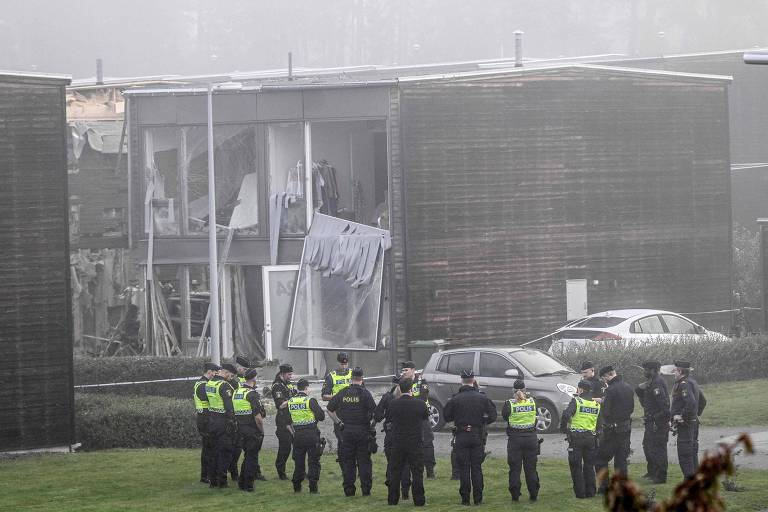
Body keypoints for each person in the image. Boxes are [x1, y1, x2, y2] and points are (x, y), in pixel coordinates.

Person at [443, 369, 498, 506]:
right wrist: (482, 422)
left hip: (461, 434)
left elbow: (446, 416)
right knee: (476, 467)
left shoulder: (455, 398)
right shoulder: (482, 398)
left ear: (461, 381)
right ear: (473, 380)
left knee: (464, 468)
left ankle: (465, 499)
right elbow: (493, 416)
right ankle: (478, 499)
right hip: (476, 435)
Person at [327, 367, 377, 496]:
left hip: (346, 431)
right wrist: (371, 426)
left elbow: (329, 409)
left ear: (351, 378)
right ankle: (366, 490)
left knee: (348, 461)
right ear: (362, 378)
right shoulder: (365, 394)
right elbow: (375, 413)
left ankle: (349, 490)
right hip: (362, 431)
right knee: (364, 461)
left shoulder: (343, 392)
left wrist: (338, 422)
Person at [385, 378, 428, 506]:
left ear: (400, 389)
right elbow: (425, 417)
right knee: (417, 472)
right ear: (411, 389)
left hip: (398, 442)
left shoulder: (393, 404)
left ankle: (392, 500)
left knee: (395, 471)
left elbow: (389, 419)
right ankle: (419, 501)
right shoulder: (420, 404)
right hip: (415, 442)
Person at [596, 365, 634, 493]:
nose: (604, 381)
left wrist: (603, 403)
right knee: (621, 459)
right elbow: (632, 408)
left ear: (607, 375)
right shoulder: (628, 387)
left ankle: (604, 487)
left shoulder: (610, 390)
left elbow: (606, 412)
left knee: (601, 458)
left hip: (612, 430)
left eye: (604, 378)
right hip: (626, 427)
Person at [560, 380, 601, 498]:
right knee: (589, 466)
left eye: (578, 389)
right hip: (590, 438)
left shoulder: (576, 401)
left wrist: (564, 429)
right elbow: (599, 424)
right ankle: (591, 492)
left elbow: (566, 414)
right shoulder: (596, 405)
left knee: (575, 465)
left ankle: (580, 493)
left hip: (576, 438)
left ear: (581, 389)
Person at [501, 379, 540, 502]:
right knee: (531, 468)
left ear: (513, 390)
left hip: (515, 439)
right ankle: (533, 494)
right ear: (525, 389)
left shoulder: (509, 404)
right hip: (531, 439)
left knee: (514, 468)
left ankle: (515, 495)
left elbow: (504, 416)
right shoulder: (533, 402)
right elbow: (536, 416)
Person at [375, 375, 412, 500]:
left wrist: (386, 415)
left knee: (392, 464)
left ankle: (392, 493)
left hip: (391, 435)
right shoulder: (410, 398)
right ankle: (405, 492)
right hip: (406, 434)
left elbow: (378, 415)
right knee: (405, 464)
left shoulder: (387, 398)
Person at [288, 378, 326, 493]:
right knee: (313, 461)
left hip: (298, 435)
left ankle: (297, 486)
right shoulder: (310, 400)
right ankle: (313, 487)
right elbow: (321, 416)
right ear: (306, 388)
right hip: (311, 434)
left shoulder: (290, 401)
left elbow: (288, 420)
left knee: (299, 462)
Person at [635, 360, 670, 484]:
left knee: (658, 448)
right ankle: (652, 471)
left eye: (646, 370)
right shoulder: (652, 382)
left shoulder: (657, 383)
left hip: (657, 422)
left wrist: (656, 418)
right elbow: (646, 400)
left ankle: (660, 476)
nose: (644, 372)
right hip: (651, 421)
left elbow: (665, 407)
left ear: (653, 370)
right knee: (648, 446)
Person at [670, 360, 707, 479]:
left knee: (685, 454)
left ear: (680, 371)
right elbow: (702, 401)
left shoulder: (684, 384)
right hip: (693, 423)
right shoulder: (693, 382)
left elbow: (690, 403)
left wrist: (682, 416)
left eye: (675, 370)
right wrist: (695, 415)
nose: (674, 372)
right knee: (692, 452)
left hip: (686, 425)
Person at [400, 361, 437, 479]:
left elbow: (423, 397)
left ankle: (430, 471)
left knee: (427, 443)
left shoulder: (421, 382)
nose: (404, 372)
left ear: (413, 370)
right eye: (403, 370)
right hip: (407, 418)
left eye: (406, 370)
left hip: (422, 417)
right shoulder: (401, 383)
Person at [233, 368, 266, 492]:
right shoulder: (251, 394)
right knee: (252, 458)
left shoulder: (237, 391)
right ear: (253, 378)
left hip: (240, 428)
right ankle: (248, 485)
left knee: (247, 456)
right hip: (251, 429)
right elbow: (258, 417)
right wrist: (261, 430)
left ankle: (242, 482)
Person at [204, 363, 237, 488]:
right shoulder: (224, 386)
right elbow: (229, 407)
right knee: (225, 452)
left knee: (214, 452)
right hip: (223, 422)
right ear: (226, 372)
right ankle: (222, 481)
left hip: (212, 420)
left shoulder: (210, 383)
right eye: (231, 375)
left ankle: (213, 480)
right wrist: (233, 422)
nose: (231, 378)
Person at [194, 362, 219, 484]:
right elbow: (209, 399)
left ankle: (208, 474)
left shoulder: (204, 383)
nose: (215, 374)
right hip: (205, 419)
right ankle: (206, 475)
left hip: (206, 418)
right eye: (214, 372)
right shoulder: (202, 385)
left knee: (210, 447)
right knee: (208, 449)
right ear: (209, 371)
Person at [271, 363, 297, 480]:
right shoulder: (277, 386)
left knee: (298, 447)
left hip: (293, 418)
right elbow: (281, 405)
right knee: (285, 448)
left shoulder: (288, 384)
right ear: (282, 374)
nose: (291, 376)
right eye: (289, 374)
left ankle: (299, 471)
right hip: (283, 420)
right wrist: (294, 399)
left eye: (291, 374)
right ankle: (281, 471)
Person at [228, 355, 251, 481]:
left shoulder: (243, 379)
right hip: (237, 416)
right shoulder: (234, 380)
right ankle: (233, 470)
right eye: (244, 369)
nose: (246, 372)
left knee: (247, 447)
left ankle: (253, 471)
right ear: (238, 367)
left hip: (245, 416)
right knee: (236, 447)